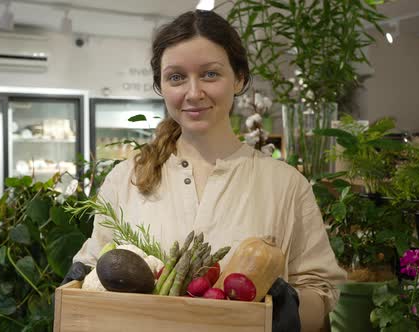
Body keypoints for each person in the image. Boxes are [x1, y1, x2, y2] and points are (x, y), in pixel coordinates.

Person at [64, 9, 346, 332]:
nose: (193, 92)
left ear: (239, 78)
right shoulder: (125, 179)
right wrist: (79, 282)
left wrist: (285, 311)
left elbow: (322, 293)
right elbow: (94, 269)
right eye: (176, 77)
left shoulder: (286, 186)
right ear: (161, 86)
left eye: (210, 74)